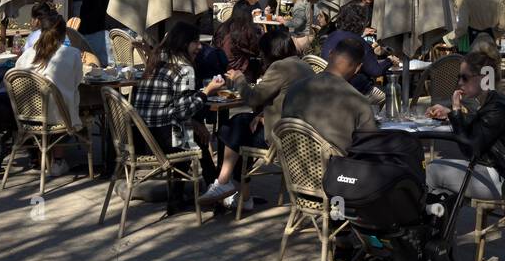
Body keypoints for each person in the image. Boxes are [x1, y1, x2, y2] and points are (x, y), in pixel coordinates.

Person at [200, 27, 313, 205]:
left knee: (231, 129)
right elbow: (286, 98)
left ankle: (226, 184)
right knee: (240, 126)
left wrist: (239, 78)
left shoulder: (280, 67)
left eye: (262, 51)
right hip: (299, 131)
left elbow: (253, 98)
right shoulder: (303, 65)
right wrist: (262, 113)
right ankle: (237, 194)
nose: (260, 55)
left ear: (270, 50)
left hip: (281, 136)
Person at [131, 21, 228, 206]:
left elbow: (173, 110)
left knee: (193, 134)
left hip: (142, 137)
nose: (200, 47)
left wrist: (195, 123)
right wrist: (206, 91)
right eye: (196, 42)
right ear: (184, 43)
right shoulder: (184, 68)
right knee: (197, 139)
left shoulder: (156, 60)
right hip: (162, 139)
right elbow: (184, 111)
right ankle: (216, 190)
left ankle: (181, 196)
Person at [424, 51, 505, 200]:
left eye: (465, 77)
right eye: (459, 77)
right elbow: (481, 124)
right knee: (436, 176)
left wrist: (456, 111)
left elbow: (470, 149)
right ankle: (437, 217)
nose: (460, 83)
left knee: (432, 171)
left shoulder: (497, 108)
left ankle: (429, 218)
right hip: (503, 173)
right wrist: (450, 113)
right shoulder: (493, 100)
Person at [12, 12, 84, 177]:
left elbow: (16, 77)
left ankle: (39, 156)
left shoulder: (27, 54)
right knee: (72, 106)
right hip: (59, 119)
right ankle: (58, 161)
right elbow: (78, 80)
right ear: (64, 33)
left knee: (57, 105)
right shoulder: (71, 53)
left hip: (28, 116)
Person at [281, 35, 378, 155]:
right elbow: (369, 148)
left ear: (330, 54)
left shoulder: (294, 89)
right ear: (358, 68)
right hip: (338, 171)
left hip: (295, 167)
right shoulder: (358, 103)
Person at [321, 1, 395, 94]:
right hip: (351, 91)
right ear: (362, 22)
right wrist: (389, 61)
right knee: (390, 93)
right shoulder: (359, 42)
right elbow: (375, 71)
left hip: (326, 84)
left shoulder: (332, 36)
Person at [215, 0, 262, 78]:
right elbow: (256, 50)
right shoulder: (246, 30)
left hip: (220, 67)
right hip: (238, 69)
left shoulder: (223, 27)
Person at [26, 0, 92, 55]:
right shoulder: (65, 37)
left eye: (32, 18)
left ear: (37, 20)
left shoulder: (33, 36)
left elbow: (25, 53)